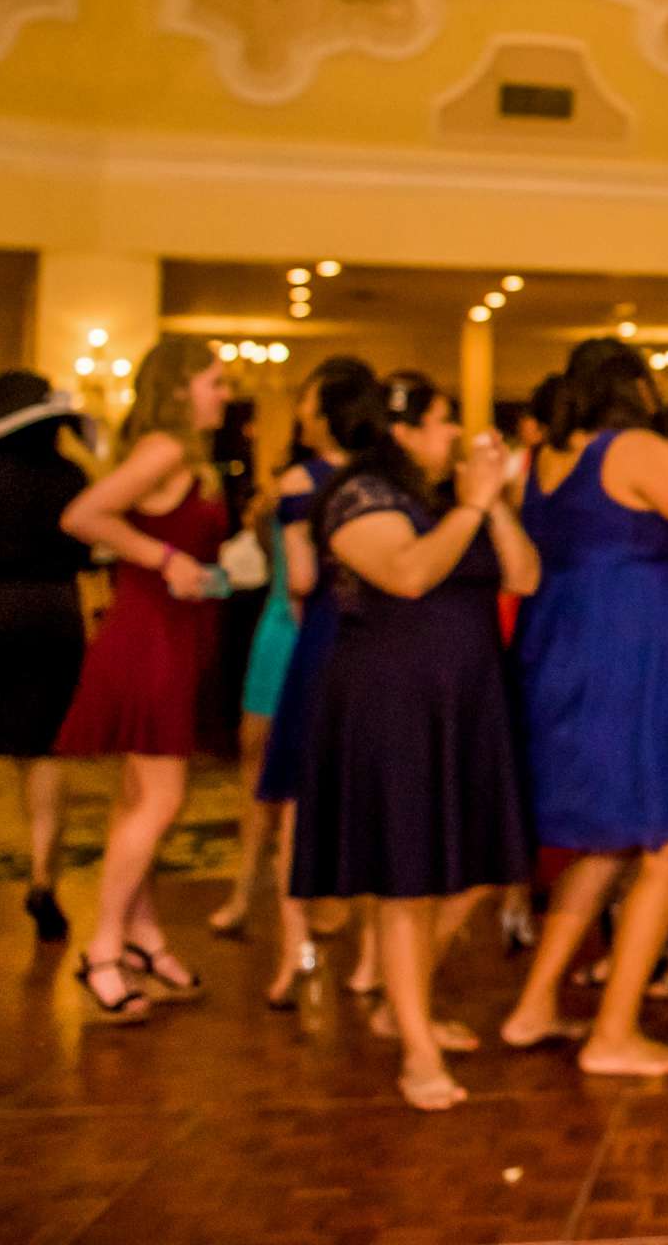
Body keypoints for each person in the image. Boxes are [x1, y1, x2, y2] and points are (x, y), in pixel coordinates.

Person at [501, 336, 668, 1076]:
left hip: (566, 638)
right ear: (635, 390)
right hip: (634, 643)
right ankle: (613, 1032)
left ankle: (533, 1007)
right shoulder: (632, 449)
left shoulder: (548, 460)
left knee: (605, 841)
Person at [290, 371, 537, 1110]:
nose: (452, 436)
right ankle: (417, 1049)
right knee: (407, 883)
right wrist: (470, 504)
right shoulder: (358, 497)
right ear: (400, 431)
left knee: (477, 865)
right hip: (392, 703)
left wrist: (488, 505)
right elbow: (405, 574)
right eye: (439, 423)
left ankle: (401, 1003)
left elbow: (523, 575)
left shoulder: (445, 499)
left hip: (464, 700)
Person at [55, 336, 233, 1022]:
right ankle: (100, 948)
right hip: (150, 637)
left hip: (168, 633)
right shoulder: (162, 448)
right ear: (182, 386)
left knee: (139, 801)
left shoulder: (181, 456)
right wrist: (163, 557)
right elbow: (82, 517)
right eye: (215, 381)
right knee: (160, 800)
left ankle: (141, 934)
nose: (224, 392)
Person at [252, 357, 377, 1007]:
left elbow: (299, 580)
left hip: (325, 635)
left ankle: (294, 950)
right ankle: (373, 961)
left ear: (326, 411)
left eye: (306, 402)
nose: (301, 413)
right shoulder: (383, 476)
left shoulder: (302, 479)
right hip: (377, 640)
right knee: (372, 796)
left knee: (300, 802)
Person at [0, 373, 91, 943]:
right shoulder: (69, 476)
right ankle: (43, 878)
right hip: (56, 609)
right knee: (45, 751)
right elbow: (88, 551)